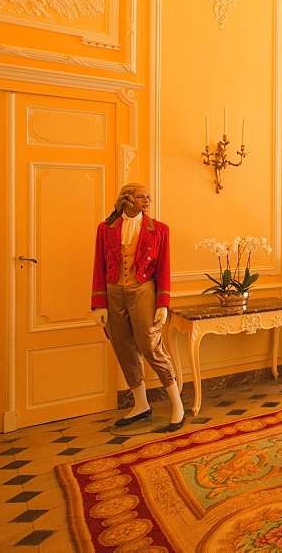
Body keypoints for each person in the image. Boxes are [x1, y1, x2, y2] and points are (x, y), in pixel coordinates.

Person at [91, 183, 185, 432]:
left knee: (151, 346)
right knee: (123, 346)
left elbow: (164, 268)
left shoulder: (159, 229)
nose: (147, 201)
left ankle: (177, 405)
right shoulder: (106, 228)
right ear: (127, 200)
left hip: (143, 291)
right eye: (141, 197)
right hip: (113, 292)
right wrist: (98, 304)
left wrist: (163, 304)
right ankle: (141, 404)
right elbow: (98, 266)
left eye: (148, 197)